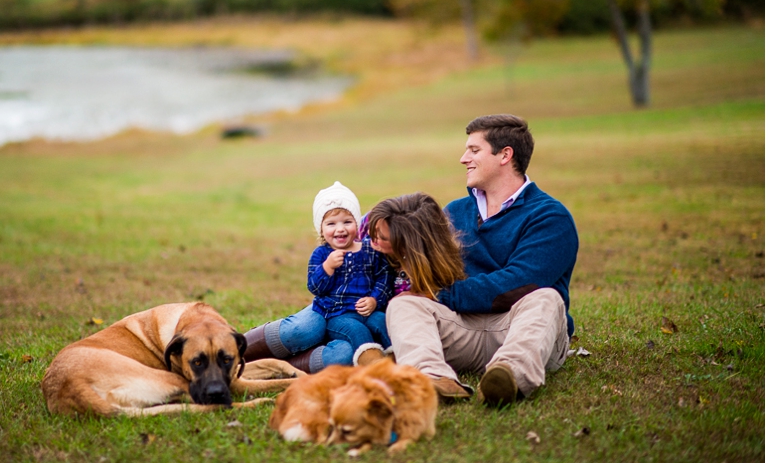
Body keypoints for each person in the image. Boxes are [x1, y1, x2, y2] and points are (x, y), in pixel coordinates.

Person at [385, 114, 578, 406]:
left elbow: (520, 284)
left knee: (546, 298)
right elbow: (432, 274)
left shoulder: (550, 217)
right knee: (404, 303)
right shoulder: (454, 212)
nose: (464, 159)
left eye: (474, 150)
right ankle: (432, 377)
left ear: (505, 155)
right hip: (464, 328)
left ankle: (507, 376)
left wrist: (444, 294)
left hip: (523, 329)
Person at [243, 182, 395, 372]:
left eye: (347, 222)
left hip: (368, 311)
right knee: (358, 331)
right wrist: (327, 267)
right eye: (331, 224)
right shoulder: (321, 255)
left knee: (382, 322)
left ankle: (396, 359)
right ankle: (375, 368)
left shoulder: (370, 250)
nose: (340, 229)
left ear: (357, 223)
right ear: (321, 229)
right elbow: (315, 288)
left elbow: (384, 277)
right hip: (337, 315)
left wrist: (374, 299)